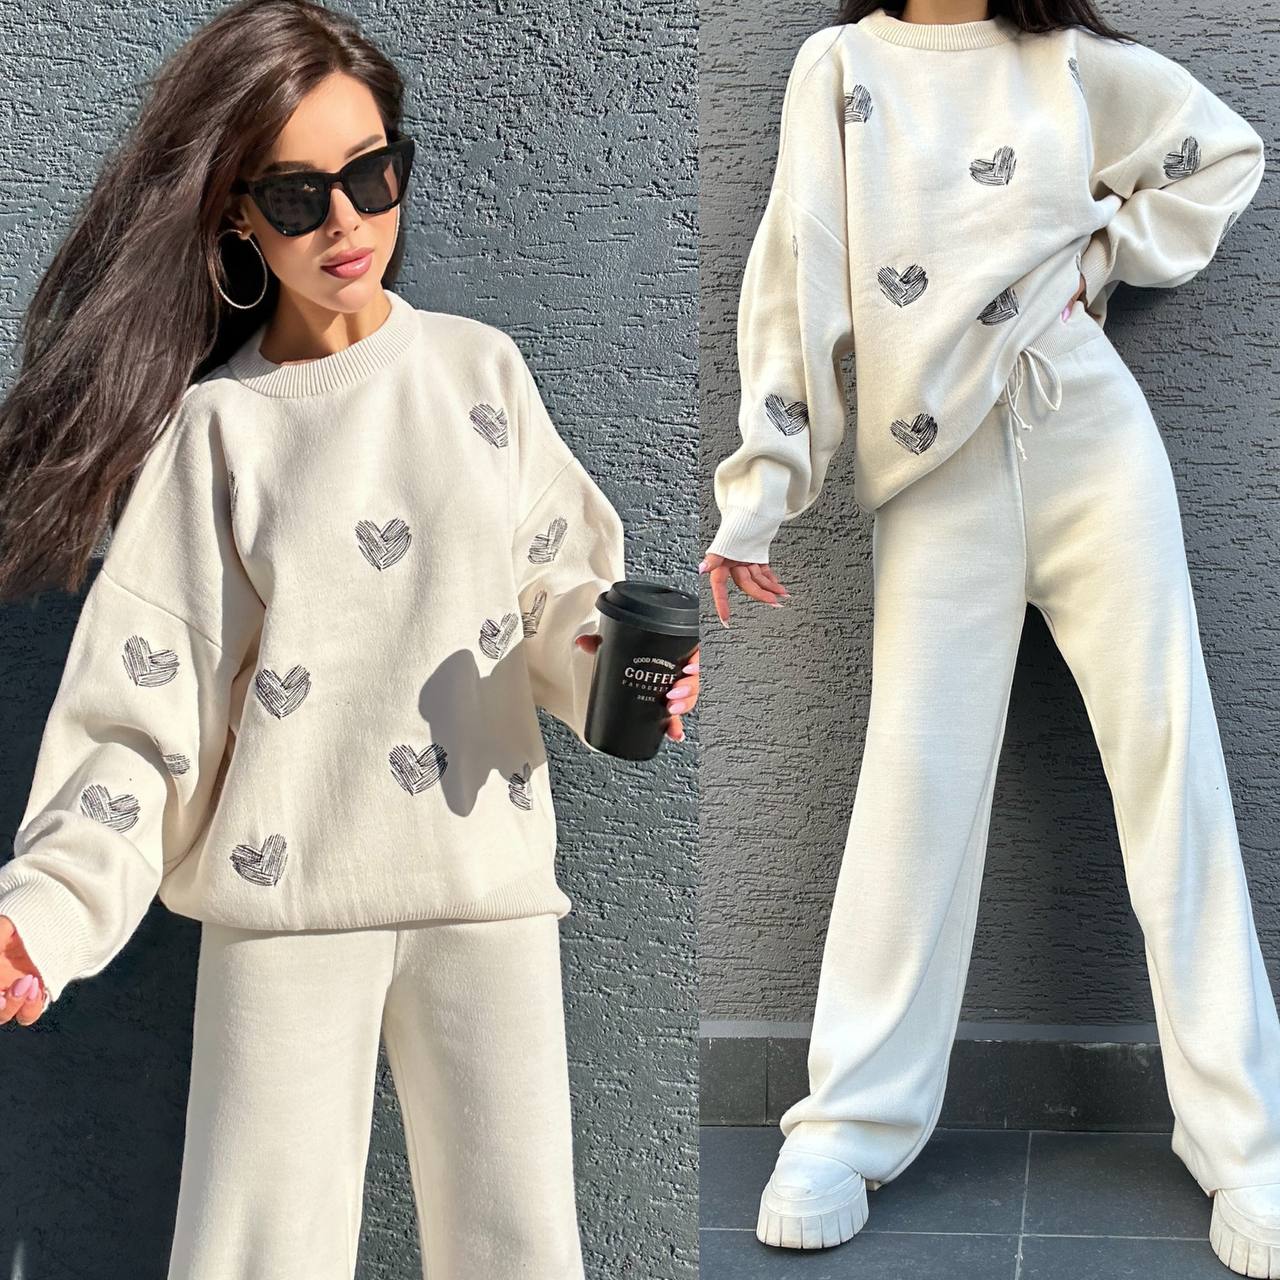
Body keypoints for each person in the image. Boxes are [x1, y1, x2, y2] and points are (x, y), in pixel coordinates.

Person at [0, 1, 699, 1275]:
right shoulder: (219, 433)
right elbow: (144, 707)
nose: (347, 222)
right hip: (286, 890)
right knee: (255, 1251)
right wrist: (46, 908)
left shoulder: (478, 374)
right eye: (298, 192)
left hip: (480, 879)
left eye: (374, 174)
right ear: (234, 217)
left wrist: (616, 664)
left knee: (519, 1248)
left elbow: (553, 591)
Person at [700, 1, 1278, 1273]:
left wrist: (1100, 257)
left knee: (1170, 772)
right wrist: (762, 488)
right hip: (934, 482)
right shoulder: (838, 68)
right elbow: (794, 270)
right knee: (911, 790)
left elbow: (1221, 152)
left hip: (1091, 437)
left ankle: (1245, 1142)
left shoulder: (1067, 63)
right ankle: (845, 1124)